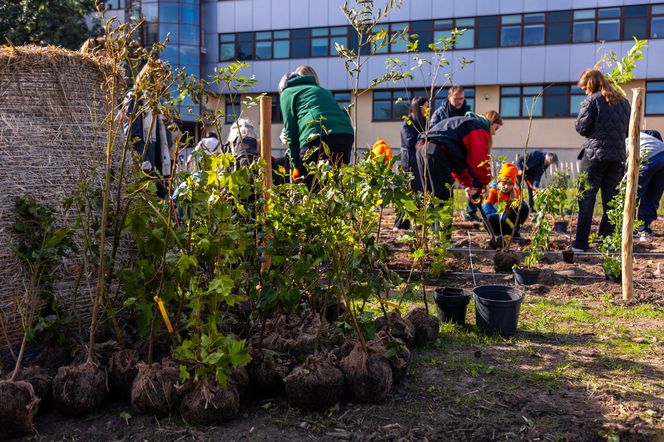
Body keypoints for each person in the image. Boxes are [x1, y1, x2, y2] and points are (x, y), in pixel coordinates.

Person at [571, 69, 630, 252]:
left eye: (584, 88)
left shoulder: (592, 100)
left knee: (586, 199)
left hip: (594, 157)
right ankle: (607, 242)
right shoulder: (624, 102)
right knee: (611, 201)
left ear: (590, 85)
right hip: (617, 157)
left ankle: (580, 244)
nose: (585, 92)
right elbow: (627, 130)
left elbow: (581, 128)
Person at [278, 65, 354, 187]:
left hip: (317, 135)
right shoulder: (321, 90)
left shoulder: (286, 93)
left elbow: (291, 132)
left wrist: (296, 166)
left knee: (309, 186)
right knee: (336, 184)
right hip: (345, 135)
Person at [416, 110, 503, 203]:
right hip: (436, 152)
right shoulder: (478, 127)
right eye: (496, 128)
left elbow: (458, 166)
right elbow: (479, 161)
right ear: (492, 121)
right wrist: (480, 186)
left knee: (428, 198)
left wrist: (470, 186)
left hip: (422, 150)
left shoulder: (463, 125)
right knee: (443, 201)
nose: (494, 133)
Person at [123, 62, 175, 198]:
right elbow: (131, 133)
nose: (163, 85)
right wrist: (143, 161)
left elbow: (165, 137)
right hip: (145, 164)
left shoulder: (157, 104)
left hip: (158, 162)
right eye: (161, 80)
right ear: (151, 77)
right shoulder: (135, 98)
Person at [632, 130, 664, 240]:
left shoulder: (629, 137)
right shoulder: (652, 137)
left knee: (631, 194)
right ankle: (643, 228)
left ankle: (628, 229)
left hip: (647, 158)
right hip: (662, 157)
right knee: (652, 195)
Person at [483, 162, 529, 237]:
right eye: (504, 183)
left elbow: (521, 210)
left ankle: (513, 231)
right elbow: (486, 208)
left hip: (510, 223)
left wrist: (510, 222)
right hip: (498, 222)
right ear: (499, 181)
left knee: (523, 206)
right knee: (487, 218)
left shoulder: (516, 192)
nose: (506, 186)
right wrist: (502, 216)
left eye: (510, 184)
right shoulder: (493, 191)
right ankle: (497, 235)